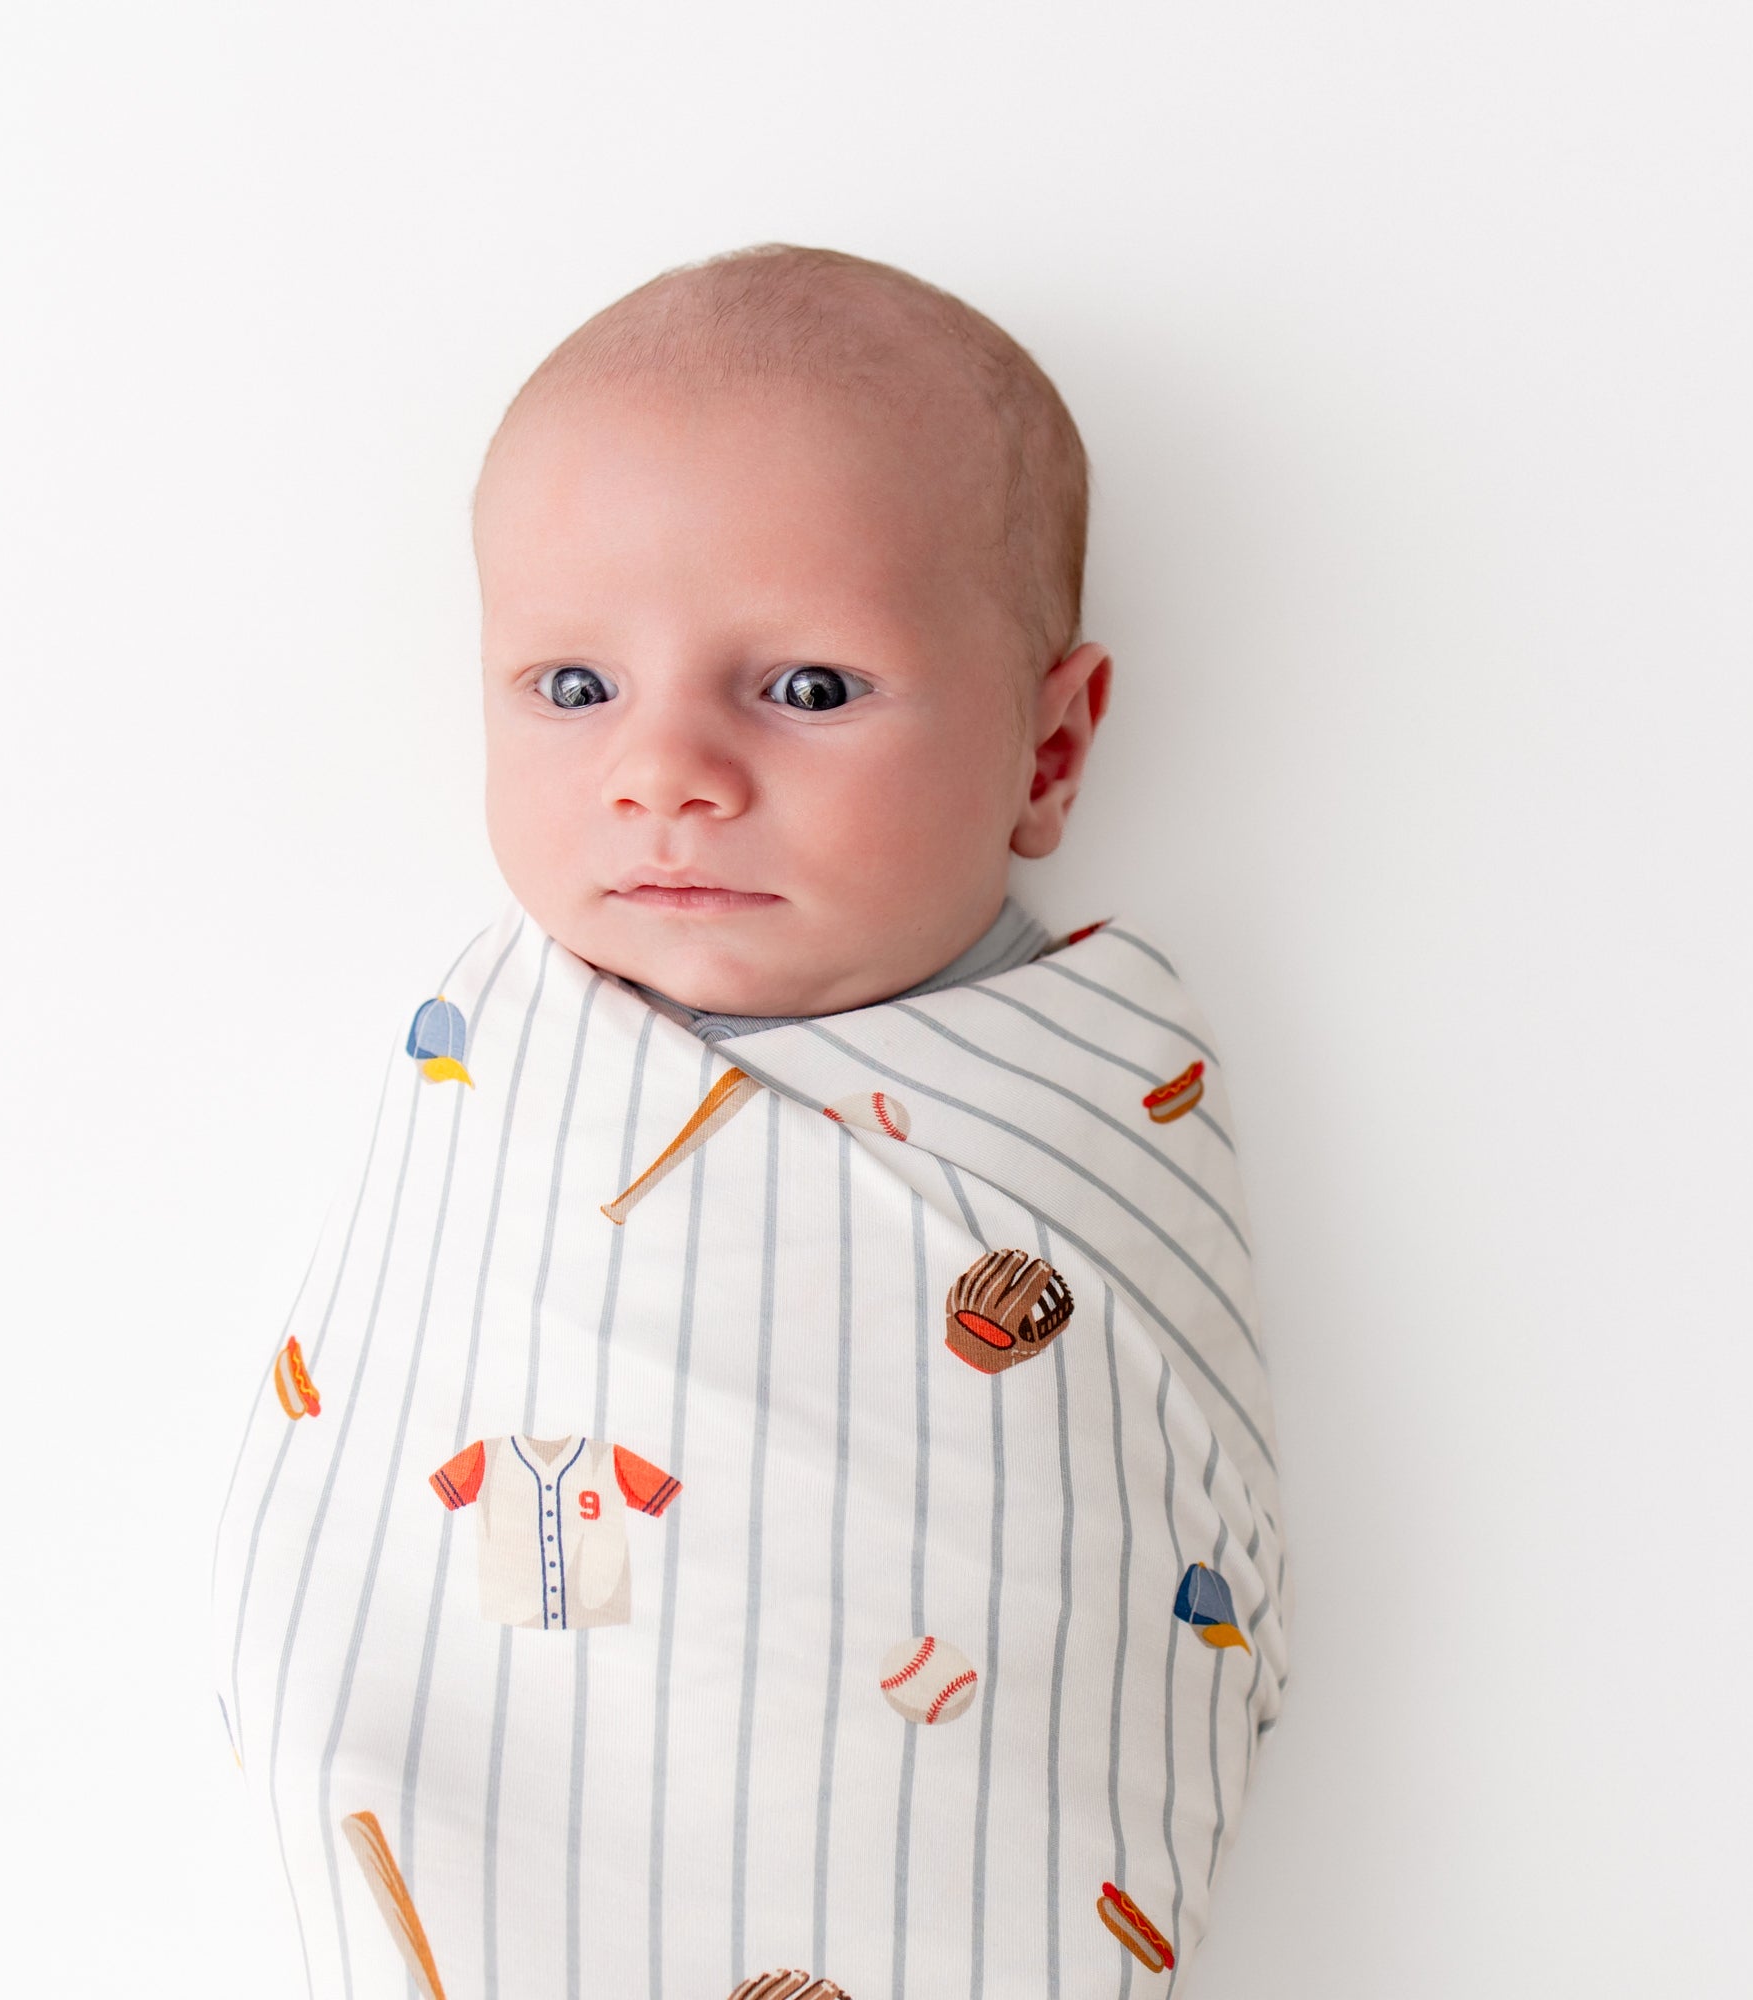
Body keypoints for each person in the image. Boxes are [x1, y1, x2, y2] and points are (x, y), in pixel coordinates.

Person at [210, 242, 1288, 2000]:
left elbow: (1115, 1530)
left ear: (1046, 749)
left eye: (806, 690)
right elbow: (374, 1511)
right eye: (576, 690)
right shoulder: (497, 1065)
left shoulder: (1096, 1093)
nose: (666, 773)